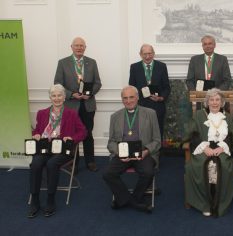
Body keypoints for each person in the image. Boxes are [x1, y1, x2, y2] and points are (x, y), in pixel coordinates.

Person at [27, 84, 87, 218]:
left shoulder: (71, 113)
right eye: (54, 95)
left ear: (64, 97)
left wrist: (71, 138)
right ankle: (35, 200)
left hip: (62, 149)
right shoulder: (41, 113)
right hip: (44, 148)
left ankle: (50, 199)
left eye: (59, 95)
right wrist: (36, 134)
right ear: (50, 97)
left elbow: (83, 131)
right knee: (36, 164)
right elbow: (37, 130)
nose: (57, 98)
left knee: (51, 164)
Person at [102, 86, 160, 213]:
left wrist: (146, 151)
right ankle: (134, 202)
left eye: (131, 97)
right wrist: (119, 152)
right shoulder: (115, 116)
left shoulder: (150, 113)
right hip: (122, 154)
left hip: (143, 153)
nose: (128, 101)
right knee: (107, 174)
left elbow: (157, 141)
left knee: (148, 172)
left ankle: (126, 200)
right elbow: (111, 142)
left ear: (138, 97)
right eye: (125, 98)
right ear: (122, 100)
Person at [184, 88, 233, 217]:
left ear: (222, 102)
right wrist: (204, 147)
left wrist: (223, 147)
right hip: (204, 148)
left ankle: (219, 202)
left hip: (222, 149)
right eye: (212, 100)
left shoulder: (228, 117)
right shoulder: (198, 115)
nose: (215, 103)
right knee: (199, 166)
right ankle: (204, 203)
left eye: (217, 100)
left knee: (224, 166)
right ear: (207, 102)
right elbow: (192, 134)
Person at [54, 37, 102, 172]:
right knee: (71, 135)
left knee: (87, 133)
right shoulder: (63, 63)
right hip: (71, 105)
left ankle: (90, 161)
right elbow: (58, 83)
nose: (79, 48)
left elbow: (98, 83)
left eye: (82, 46)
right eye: (77, 45)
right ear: (71, 47)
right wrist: (71, 94)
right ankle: (72, 162)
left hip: (88, 105)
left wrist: (90, 93)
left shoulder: (92, 63)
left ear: (85, 48)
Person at [129, 44, 171, 140]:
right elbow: (132, 87)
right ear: (140, 54)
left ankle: (158, 154)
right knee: (141, 132)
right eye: (144, 54)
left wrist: (161, 98)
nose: (147, 56)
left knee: (158, 132)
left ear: (153, 54)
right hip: (141, 105)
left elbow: (167, 87)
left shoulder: (162, 66)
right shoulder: (134, 67)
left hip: (158, 105)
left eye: (149, 53)